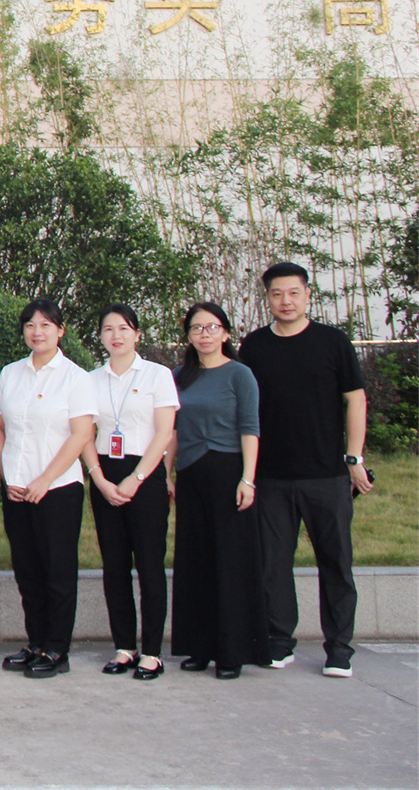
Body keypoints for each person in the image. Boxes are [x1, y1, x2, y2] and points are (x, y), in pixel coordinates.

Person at [239, 261, 372, 678]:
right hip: (271, 476)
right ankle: (279, 641)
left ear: (308, 295)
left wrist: (353, 458)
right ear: (268, 298)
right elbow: (245, 409)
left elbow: (355, 399)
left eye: (294, 293)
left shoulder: (333, 342)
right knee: (273, 565)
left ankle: (340, 649)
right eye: (277, 294)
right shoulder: (254, 346)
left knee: (336, 563)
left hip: (326, 475)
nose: (286, 301)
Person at [0, 298, 96, 679]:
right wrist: (7, 475)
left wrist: (44, 480)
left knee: (57, 571)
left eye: (46, 325)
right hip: (17, 490)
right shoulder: (10, 374)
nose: (37, 332)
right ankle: (35, 642)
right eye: (30, 325)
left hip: (58, 490)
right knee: (27, 570)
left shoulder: (75, 378)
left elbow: (80, 435)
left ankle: (56, 648)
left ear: (60, 330)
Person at [80, 303, 178, 681]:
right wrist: (99, 478)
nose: (116, 336)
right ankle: (124, 647)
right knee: (115, 565)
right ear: (100, 336)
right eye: (108, 329)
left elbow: (165, 432)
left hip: (146, 475)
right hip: (105, 475)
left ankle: (152, 652)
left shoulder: (157, 375)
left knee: (150, 565)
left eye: (123, 328)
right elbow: (84, 434)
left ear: (137, 334)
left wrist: (136, 478)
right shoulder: (90, 380)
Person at [170, 301, 264, 679]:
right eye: (197, 328)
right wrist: (166, 474)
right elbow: (172, 430)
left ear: (225, 333)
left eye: (211, 327)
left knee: (230, 563)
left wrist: (248, 478)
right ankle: (199, 647)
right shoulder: (179, 376)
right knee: (195, 562)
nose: (204, 334)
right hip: (190, 474)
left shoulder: (240, 375)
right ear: (189, 336)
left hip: (228, 474)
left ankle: (231, 652)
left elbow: (250, 429)